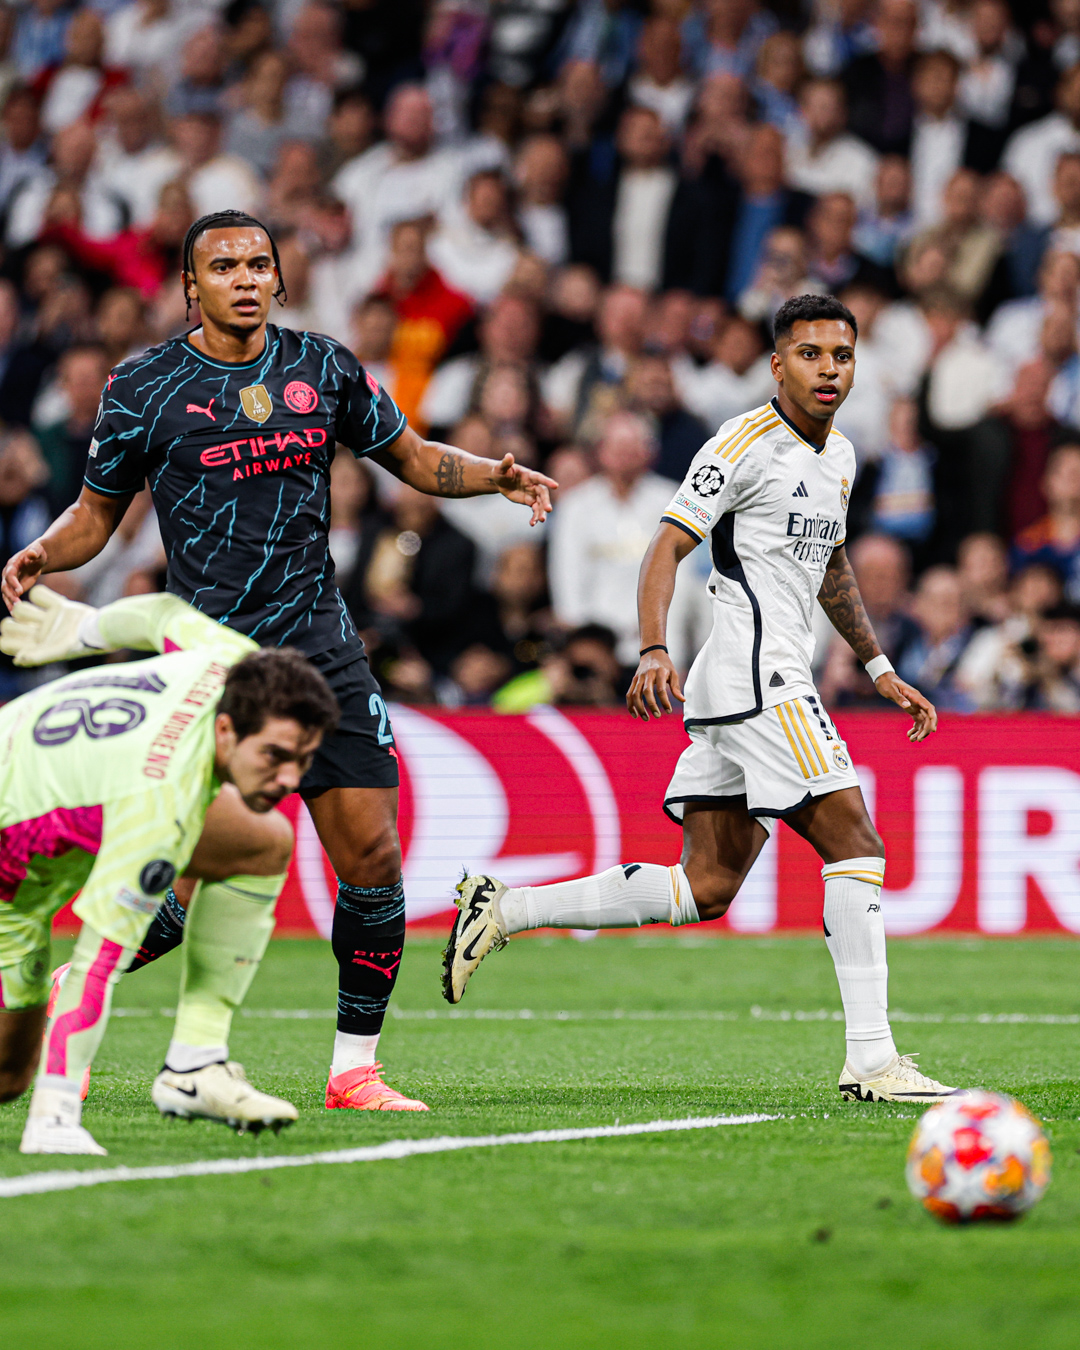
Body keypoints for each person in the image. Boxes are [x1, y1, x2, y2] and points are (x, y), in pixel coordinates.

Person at [2, 209, 556, 1116]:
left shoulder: (324, 367)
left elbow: (412, 460)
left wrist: (492, 474)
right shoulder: (143, 387)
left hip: (319, 648)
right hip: (208, 663)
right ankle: (75, 991)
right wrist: (42, 557)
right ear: (192, 286)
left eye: (260, 263)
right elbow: (95, 515)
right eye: (225, 266)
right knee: (174, 893)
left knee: (373, 857)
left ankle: (354, 1071)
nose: (247, 278)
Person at [443, 293, 961, 1106]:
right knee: (856, 847)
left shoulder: (842, 459)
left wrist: (879, 664)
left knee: (705, 888)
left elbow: (827, 567)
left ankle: (504, 909)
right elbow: (667, 545)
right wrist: (653, 646)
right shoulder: (742, 442)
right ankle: (872, 1058)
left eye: (842, 356)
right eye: (811, 354)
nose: (829, 370)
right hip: (760, 677)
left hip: (752, 682)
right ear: (776, 363)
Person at [0, 587, 339, 1154]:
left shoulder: (236, 661)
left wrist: (84, 629)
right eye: (275, 757)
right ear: (227, 731)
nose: (289, 780)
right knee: (8, 1076)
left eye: (302, 760)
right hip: (14, 874)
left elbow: (161, 613)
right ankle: (51, 1115)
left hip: (41, 771)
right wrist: (55, 1114)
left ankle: (195, 1064)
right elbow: (96, 961)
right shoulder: (161, 805)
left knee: (262, 842)